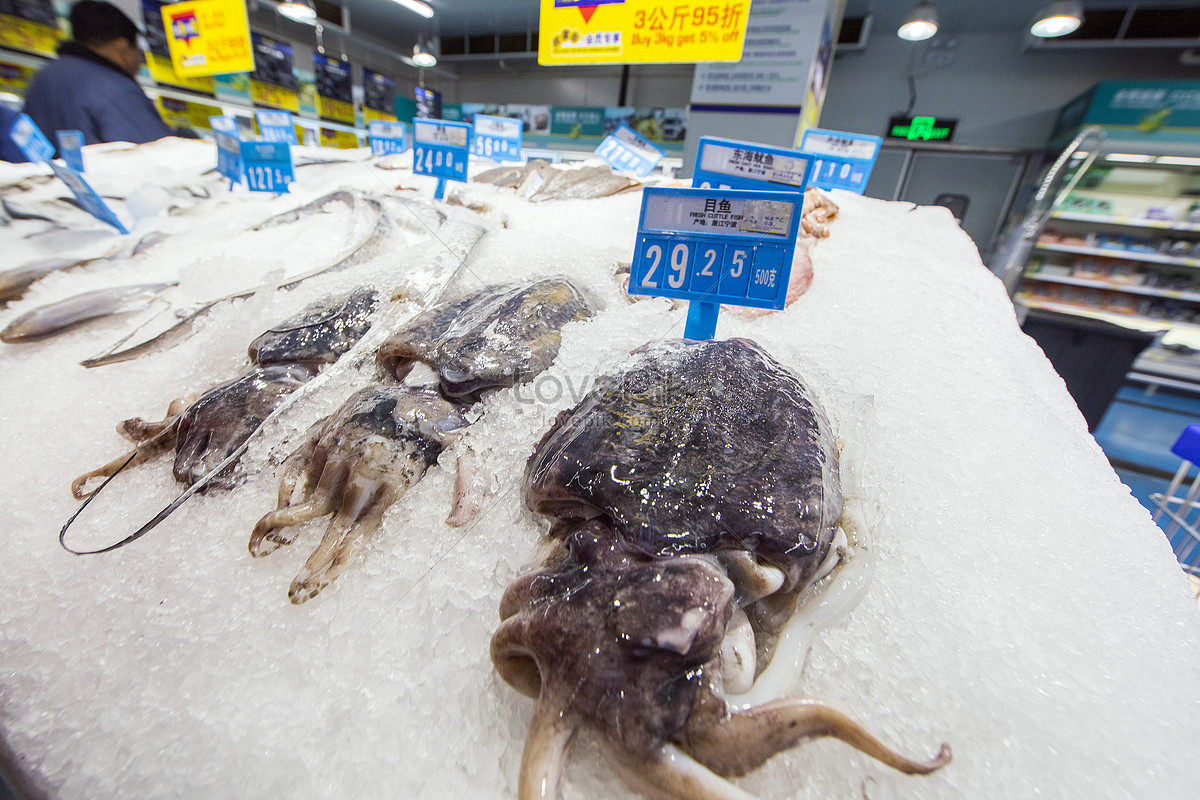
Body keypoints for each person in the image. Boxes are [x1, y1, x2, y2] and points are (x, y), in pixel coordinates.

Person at [21, 0, 173, 149]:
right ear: (121, 46)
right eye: (138, 52)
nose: (138, 61)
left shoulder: (44, 75)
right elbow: (156, 152)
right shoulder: (115, 88)